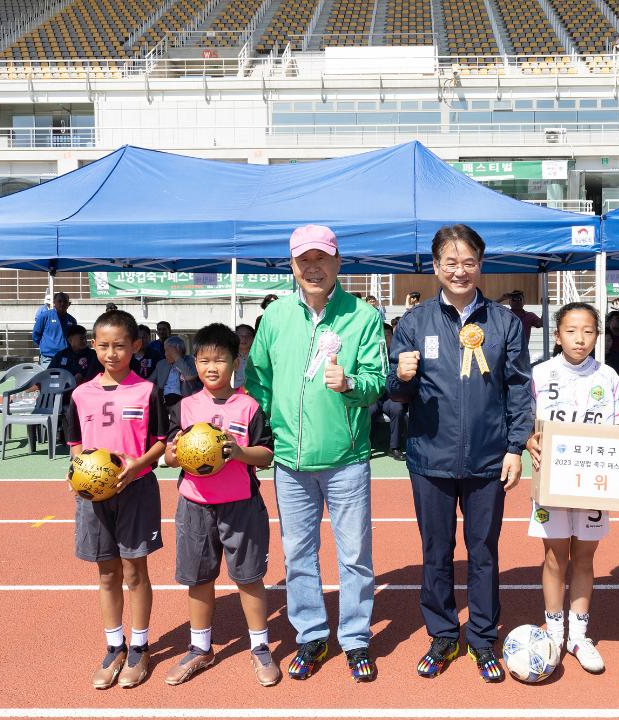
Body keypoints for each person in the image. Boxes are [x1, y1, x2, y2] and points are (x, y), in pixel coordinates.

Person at [387, 224, 531, 683]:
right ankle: (444, 634)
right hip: (430, 457)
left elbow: (519, 389)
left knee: (484, 551)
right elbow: (394, 396)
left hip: (490, 460)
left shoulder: (504, 323)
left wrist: (515, 446)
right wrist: (402, 377)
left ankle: (483, 638)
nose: (460, 270)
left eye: (469, 262)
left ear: (480, 265)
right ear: (435, 267)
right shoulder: (414, 324)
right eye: (450, 262)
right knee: (436, 551)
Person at [246, 225, 385, 683]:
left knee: (355, 555)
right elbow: (258, 380)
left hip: (346, 458)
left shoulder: (362, 317)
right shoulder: (275, 317)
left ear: (337, 262)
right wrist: (271, 428)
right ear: (292, 266)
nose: (313, 267)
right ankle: (310, 634)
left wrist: (350, 385)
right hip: (289, 460)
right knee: (299, 554)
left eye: (321, 258)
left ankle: (356, 638)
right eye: (303, 260)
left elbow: (376, 383)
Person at [162, 323, 281, 687]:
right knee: (198, 578)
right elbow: (169, 455)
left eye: (220, 360)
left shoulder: (249, 406)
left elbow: (266, 455)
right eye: (203, 360)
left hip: (240, 505)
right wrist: (171, 455)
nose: (211, 367)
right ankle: (200, 647)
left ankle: (260, 646)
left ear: (235, 361)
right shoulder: (184, 408)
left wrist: (238, 451)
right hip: (195, 505)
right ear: (194, 362)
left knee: (249, 578)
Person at [64, 309, 168, 689]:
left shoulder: (147, 391)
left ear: (135, 346)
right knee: (106, 572)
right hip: (93, 496)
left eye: (120, 345)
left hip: (136, 489)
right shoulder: (80, 394)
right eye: (104, 345)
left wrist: (138, 463)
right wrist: (75, 469)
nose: (111, 353)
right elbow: (75, 444)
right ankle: (114, 646)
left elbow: (161, 442)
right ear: (94, 345)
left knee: (135, 569)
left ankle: (140, 647)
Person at [524, 302, 619, 674]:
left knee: (584, 557)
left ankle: (578, 635)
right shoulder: (539, 374)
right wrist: (527, 440)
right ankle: (554, 630)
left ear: (598, 336)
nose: (579, 338)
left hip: (594, 482)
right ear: (556, 335)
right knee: (555, 557)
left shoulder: (609, 378)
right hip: (552, 481)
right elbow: (524, 423)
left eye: (587, 331)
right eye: (571, 330)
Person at [370, 323, 408, 461]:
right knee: (369, 410)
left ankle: (394, 448)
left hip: (390, 397)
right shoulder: (372, 354)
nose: (386, 338)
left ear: (393, 336)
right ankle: (367, 446)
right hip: (374, 396)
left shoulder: (398, 354)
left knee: (397, 409)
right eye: (383, 335)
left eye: (388, 335)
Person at [150, 335, 200, 407]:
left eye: (167, 350)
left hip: (184, 400)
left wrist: (176, 357)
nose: (165, 354)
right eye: (165, 350)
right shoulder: (161, 363)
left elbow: (189, 376)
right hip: (164, 399)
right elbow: (150, 380)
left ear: (177, 350)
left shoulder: (190, 360)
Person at [32, 292, 77, 368]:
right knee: (48, 379)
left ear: (69, 304)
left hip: (65, 357)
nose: (62, 304)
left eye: (65, 301)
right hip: (48, 358)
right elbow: (35, 336)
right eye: (59, 301)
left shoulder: (72, 321)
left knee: (64, 378)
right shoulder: (44, 316)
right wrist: (46, 346)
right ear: (54, 303)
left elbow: (73, 339)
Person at [233, 323, 255, 389]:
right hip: (233, 392)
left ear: (253, 338)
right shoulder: (229, 356)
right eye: (240, 335)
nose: (244, 338)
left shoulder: (258, 356)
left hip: (254, 393)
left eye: (248, 335)